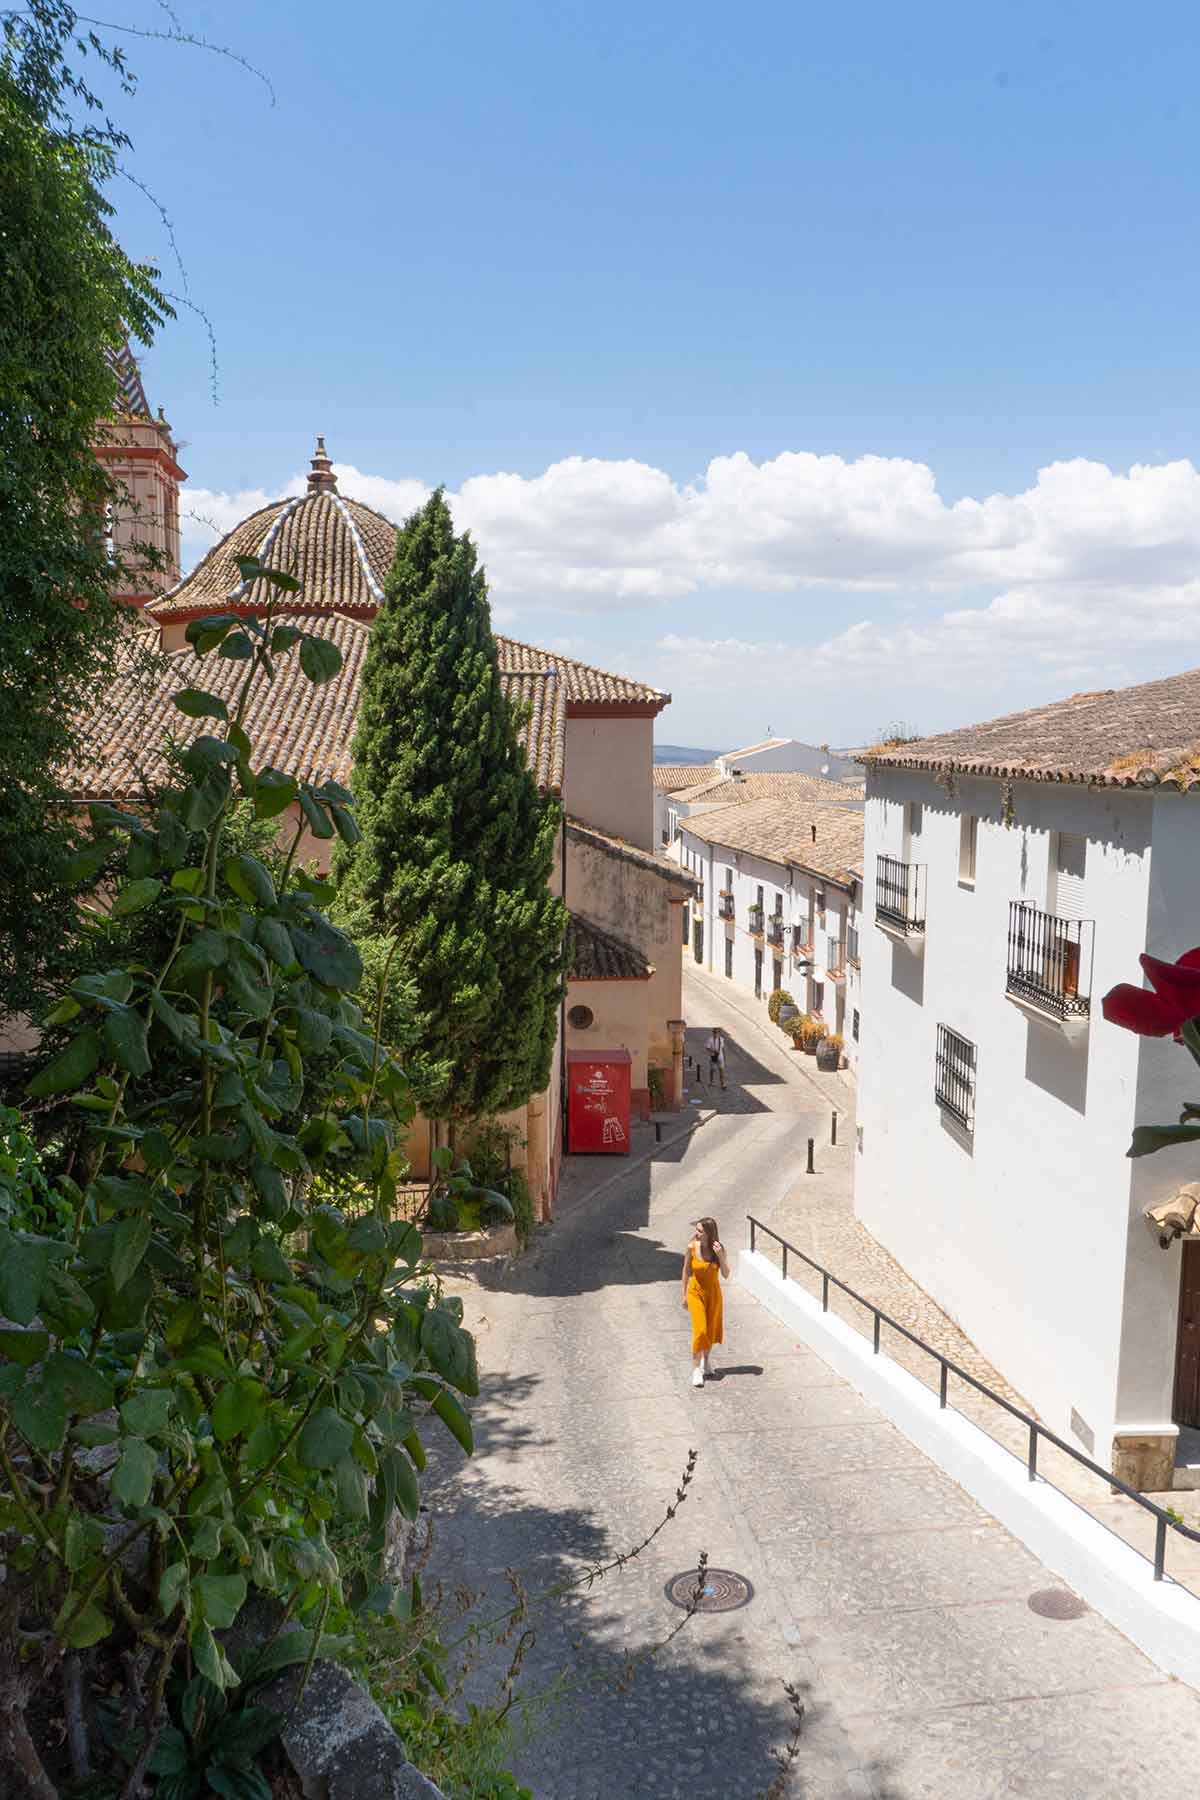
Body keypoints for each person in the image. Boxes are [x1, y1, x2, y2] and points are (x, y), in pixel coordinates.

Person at [682, 1216, 729, 1386]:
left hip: (713, 1294)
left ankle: (706, 1361)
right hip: (695, 1293)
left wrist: (721, 1256)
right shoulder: (691, 1247)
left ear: (709, 1233)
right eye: (697, 1229)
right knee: (700, 1331)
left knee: (710, 1331)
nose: (697, 1233)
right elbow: (686, 1271)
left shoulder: (718, 1249)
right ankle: (696, 1369)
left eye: (700, 1231)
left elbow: (726, 1274)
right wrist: (684, 1295)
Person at [706, 1026, 726, 1090]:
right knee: (712, 1070)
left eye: (717, 1032)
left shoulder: (721, 1039)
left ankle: (722, 1084)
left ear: (719, 1033)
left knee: (721, 1070)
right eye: (714, 1032)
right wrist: (713, 1051)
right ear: (713, 1032)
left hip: (720, 1057)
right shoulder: (710, 1039)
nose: (715, 1033)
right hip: (712, 1056)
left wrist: (724, 1057)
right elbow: (707, 1048)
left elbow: (723, 1048)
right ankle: (711, 1081)